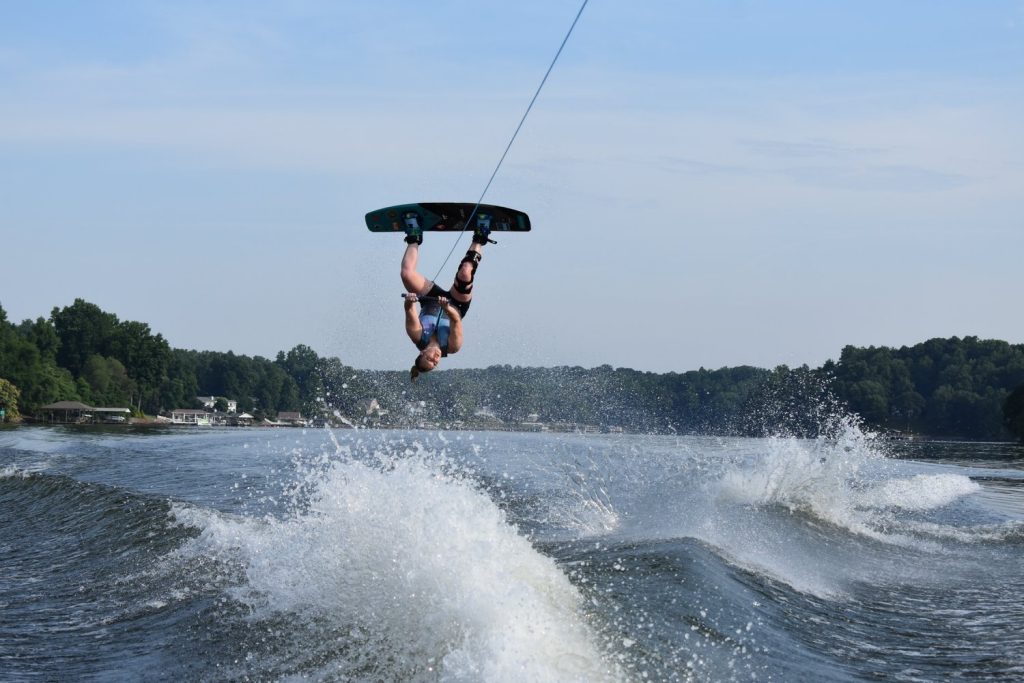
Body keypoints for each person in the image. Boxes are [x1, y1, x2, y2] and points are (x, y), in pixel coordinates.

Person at [401, 215, 493, 381]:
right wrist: (447, 308)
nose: (435, 359)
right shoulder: (452, 347)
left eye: (429, 359)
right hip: (456, 305)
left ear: (422, 353)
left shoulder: (416, 335)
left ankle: (414, 236)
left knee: (407, 275)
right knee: (465, 272)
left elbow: (409, 309)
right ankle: (481, 236)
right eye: (435, 363)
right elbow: (456, 321)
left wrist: (410, 300)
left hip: (431, 299)